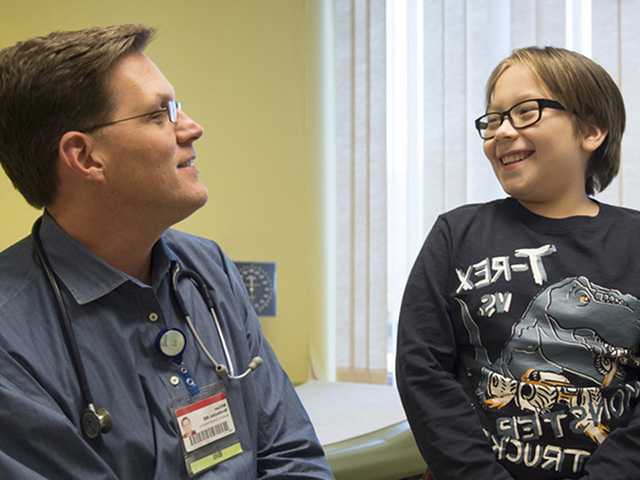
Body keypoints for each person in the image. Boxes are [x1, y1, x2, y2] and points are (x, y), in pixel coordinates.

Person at [0, 25, 332, 479]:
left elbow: (292, 454)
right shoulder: (10, 336)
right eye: (159, 115)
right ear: (84, 156)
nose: (192, 128)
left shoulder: (207, 268)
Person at [396, 46, 640, 480]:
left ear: (592, 131)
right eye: (493, 119)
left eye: (526, 112)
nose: (502, 132)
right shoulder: (457, 233)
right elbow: (422, 371)